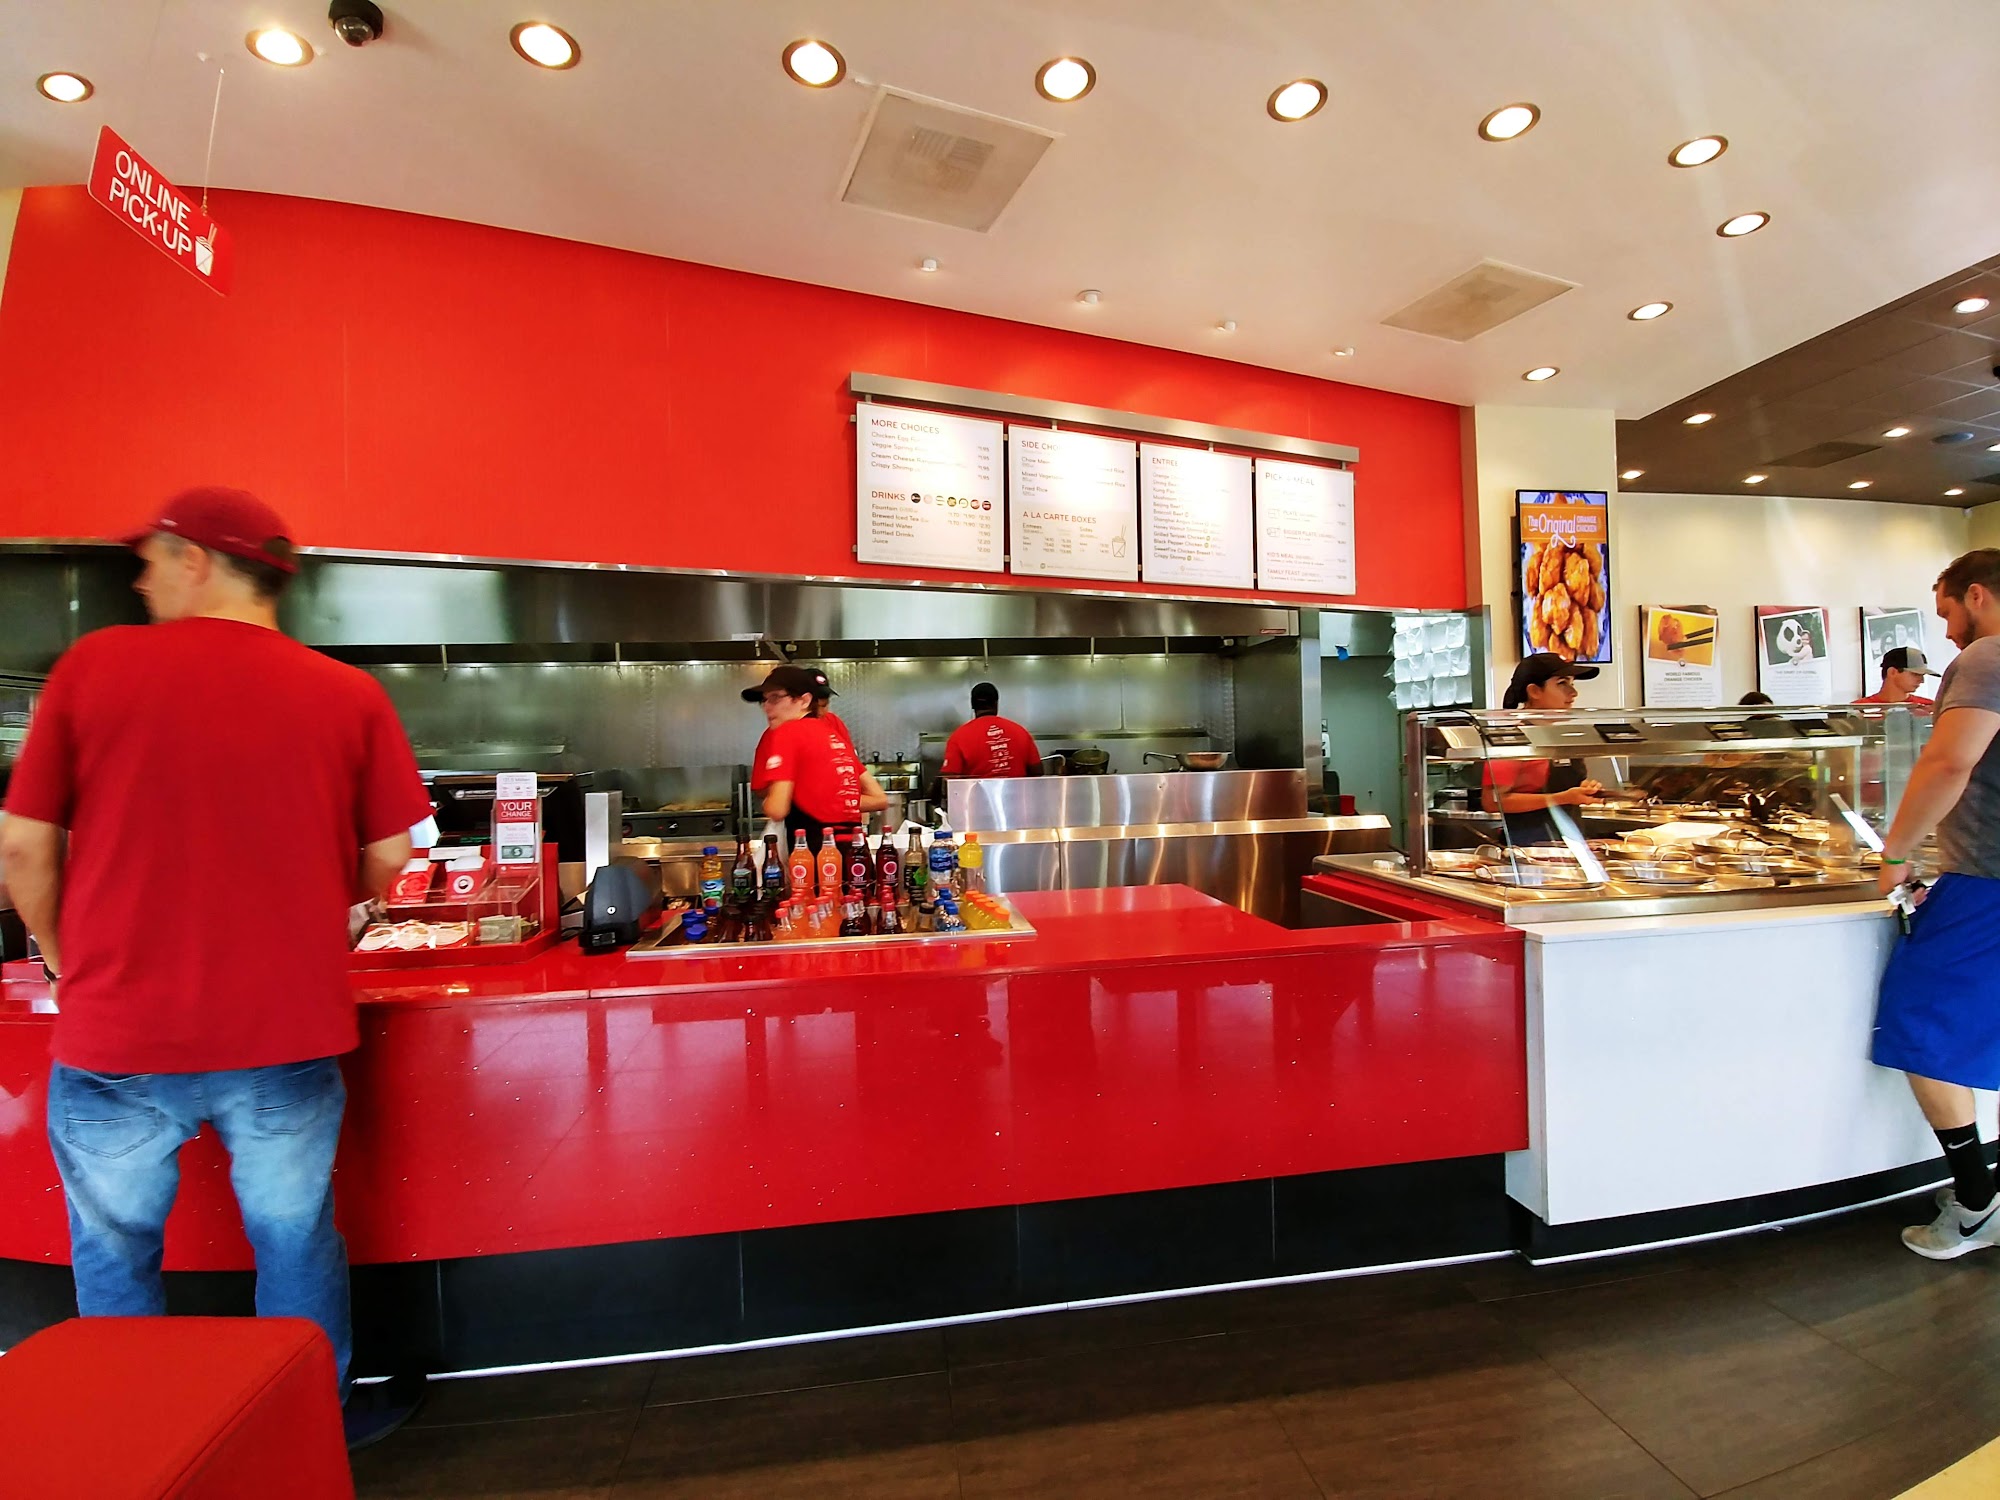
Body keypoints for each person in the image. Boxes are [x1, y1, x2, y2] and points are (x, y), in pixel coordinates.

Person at [0, 487, 434, 1446]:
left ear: (196, 560)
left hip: (116, 1040)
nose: (141, 582)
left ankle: (137, 1445)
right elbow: (392, 854)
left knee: (116, 1246)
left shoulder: (94, 667)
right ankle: (306, 1436)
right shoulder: (345, 692)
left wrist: (66, 959)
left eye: (150, 560)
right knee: (294, 1237)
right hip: (285, 1035)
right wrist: (320, 907)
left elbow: (23, 844)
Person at [1868, 549, 2000, 1259]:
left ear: (1976, 595)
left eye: (1947, 611)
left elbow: (1949, 760)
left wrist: (1896, 854)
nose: (1947, 631)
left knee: (1921, 1024)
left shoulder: (1987, 657)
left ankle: (1978, 1203)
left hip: (1986, 879)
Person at [745, 665, 886, 851]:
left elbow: (777, 809)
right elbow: (879, 798)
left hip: (817, 853)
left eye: (775, 698)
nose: (767, 707)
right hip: (856, 849)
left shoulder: (786, 733)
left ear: (804, 700)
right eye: (764, 700)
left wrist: (773, 801)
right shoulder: (833, 735)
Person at [1480, 653, 1603, 845]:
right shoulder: (1512, 740)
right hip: (1529, 848)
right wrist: (1561, 798)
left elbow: (1567, 786)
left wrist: (1585, 788)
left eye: (1572, 683)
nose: (1573, 693)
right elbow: (1492, 802)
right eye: (1562, 683)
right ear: (1534, 691)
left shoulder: (1558, 737)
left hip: (1568, 845)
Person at [941, 683, 1043, 780]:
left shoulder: (958, 737)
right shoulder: (1020, 732)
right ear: (996, 703)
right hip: (1018, 793)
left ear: (972, 705)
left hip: (975, 793)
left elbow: (948, 777)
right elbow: (1037, 772)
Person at [1857, 646, 1937, 710]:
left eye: (1923, 675)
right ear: (1892, 672)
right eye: (1915, 674)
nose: (1922, 681)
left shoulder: (1930, 707)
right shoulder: (1858, 709)